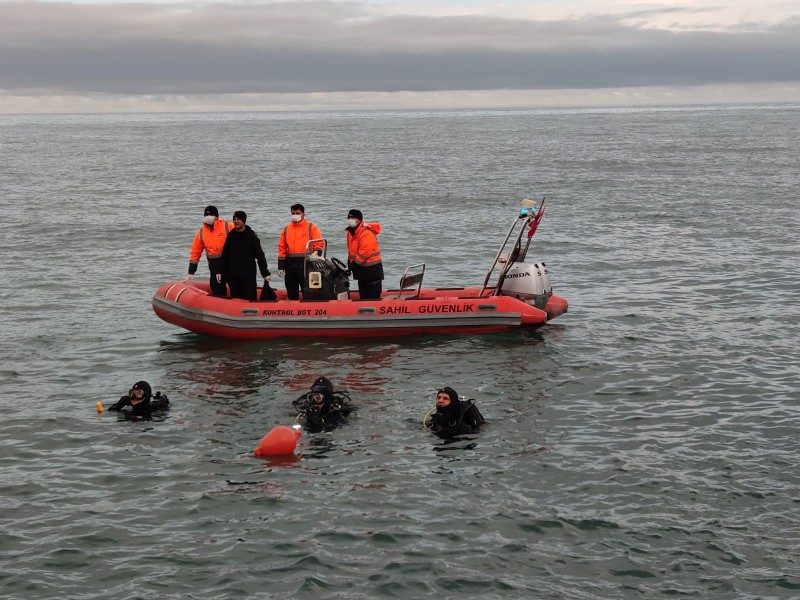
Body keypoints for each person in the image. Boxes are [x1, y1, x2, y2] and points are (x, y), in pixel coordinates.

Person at [219, 211, 271, 301]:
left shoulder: (251, 237)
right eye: (234, 219)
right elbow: (225, 256)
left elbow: (260, 255)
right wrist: (220, 271)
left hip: (248, 276)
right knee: (235, 301)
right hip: (234, 276)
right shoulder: (231, 237)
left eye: (238, 219)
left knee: (250, 299)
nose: (236, 221)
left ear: (244, 221)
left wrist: (265, 273)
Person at [277, 203, 323, 300]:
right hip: (290, 266)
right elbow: (282, 248)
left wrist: (317, 253)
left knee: (308, 292)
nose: (295, 215)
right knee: (291, 293)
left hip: (306, 265)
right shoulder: (286, 229)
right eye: (293, 213)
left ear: (303, 214)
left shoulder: (311, 227)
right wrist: (281, 266)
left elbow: (319, 243)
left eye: (297, 213)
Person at [185, 205, 234, 296]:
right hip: (214, 266)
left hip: (230, 264)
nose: (209, 217)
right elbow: (195, 252)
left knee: (236, 287)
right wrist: (191, 272)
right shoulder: (201, 233)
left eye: (211, 215)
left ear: (216, 216)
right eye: (207, 215)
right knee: (217, 289)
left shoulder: (228, 226)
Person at [345, 209, 384, 300]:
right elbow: (351, 251)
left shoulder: (366, 233)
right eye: (349, 217)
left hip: (372, 271)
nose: (350, 219)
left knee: (372, 298)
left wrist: (352, 266)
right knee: (363, 297)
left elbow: (364, 252)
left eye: (353, 218)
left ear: (359, 219)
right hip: (361, 271)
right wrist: (349, 265)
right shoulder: (350, 233)